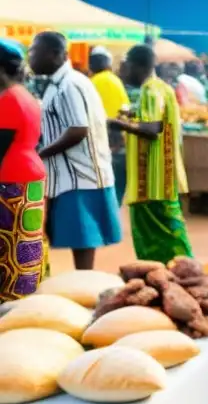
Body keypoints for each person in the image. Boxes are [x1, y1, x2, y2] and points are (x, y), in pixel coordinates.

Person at [29, 31, 120, 271]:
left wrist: (40, 154)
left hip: (80, 175)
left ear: (55, 54)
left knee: (82, 239)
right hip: (65, 175)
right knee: (66, 234)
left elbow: (78, 130)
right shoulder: (55, 85)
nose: (30, 58)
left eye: (34, 52)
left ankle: (85, 286)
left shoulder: (70, 84)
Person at [111, 44, 192, 263]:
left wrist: (116, 123)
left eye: (125, 66)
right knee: (167, 230)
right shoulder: (163, 88)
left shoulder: (150, 89)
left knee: (160, 234)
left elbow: (152, 129)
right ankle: (176, 273)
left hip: (152, 180)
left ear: (138, 66)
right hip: (159, 177)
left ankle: (181, 272)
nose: (123, 72)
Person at [0, 39, 46, 301]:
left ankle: (11, 309)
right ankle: (24, 303)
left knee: (10, 247)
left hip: (11, 179)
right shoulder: (23, 95)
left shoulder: (8, 100)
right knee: (24, 243)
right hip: (27, 175)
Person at [89, 46, 131, 206]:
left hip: (96, 145)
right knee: (116, 189)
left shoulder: (89, 83)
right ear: (108, 64)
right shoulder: (116, 82)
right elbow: (126, 111)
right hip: (118, 143)